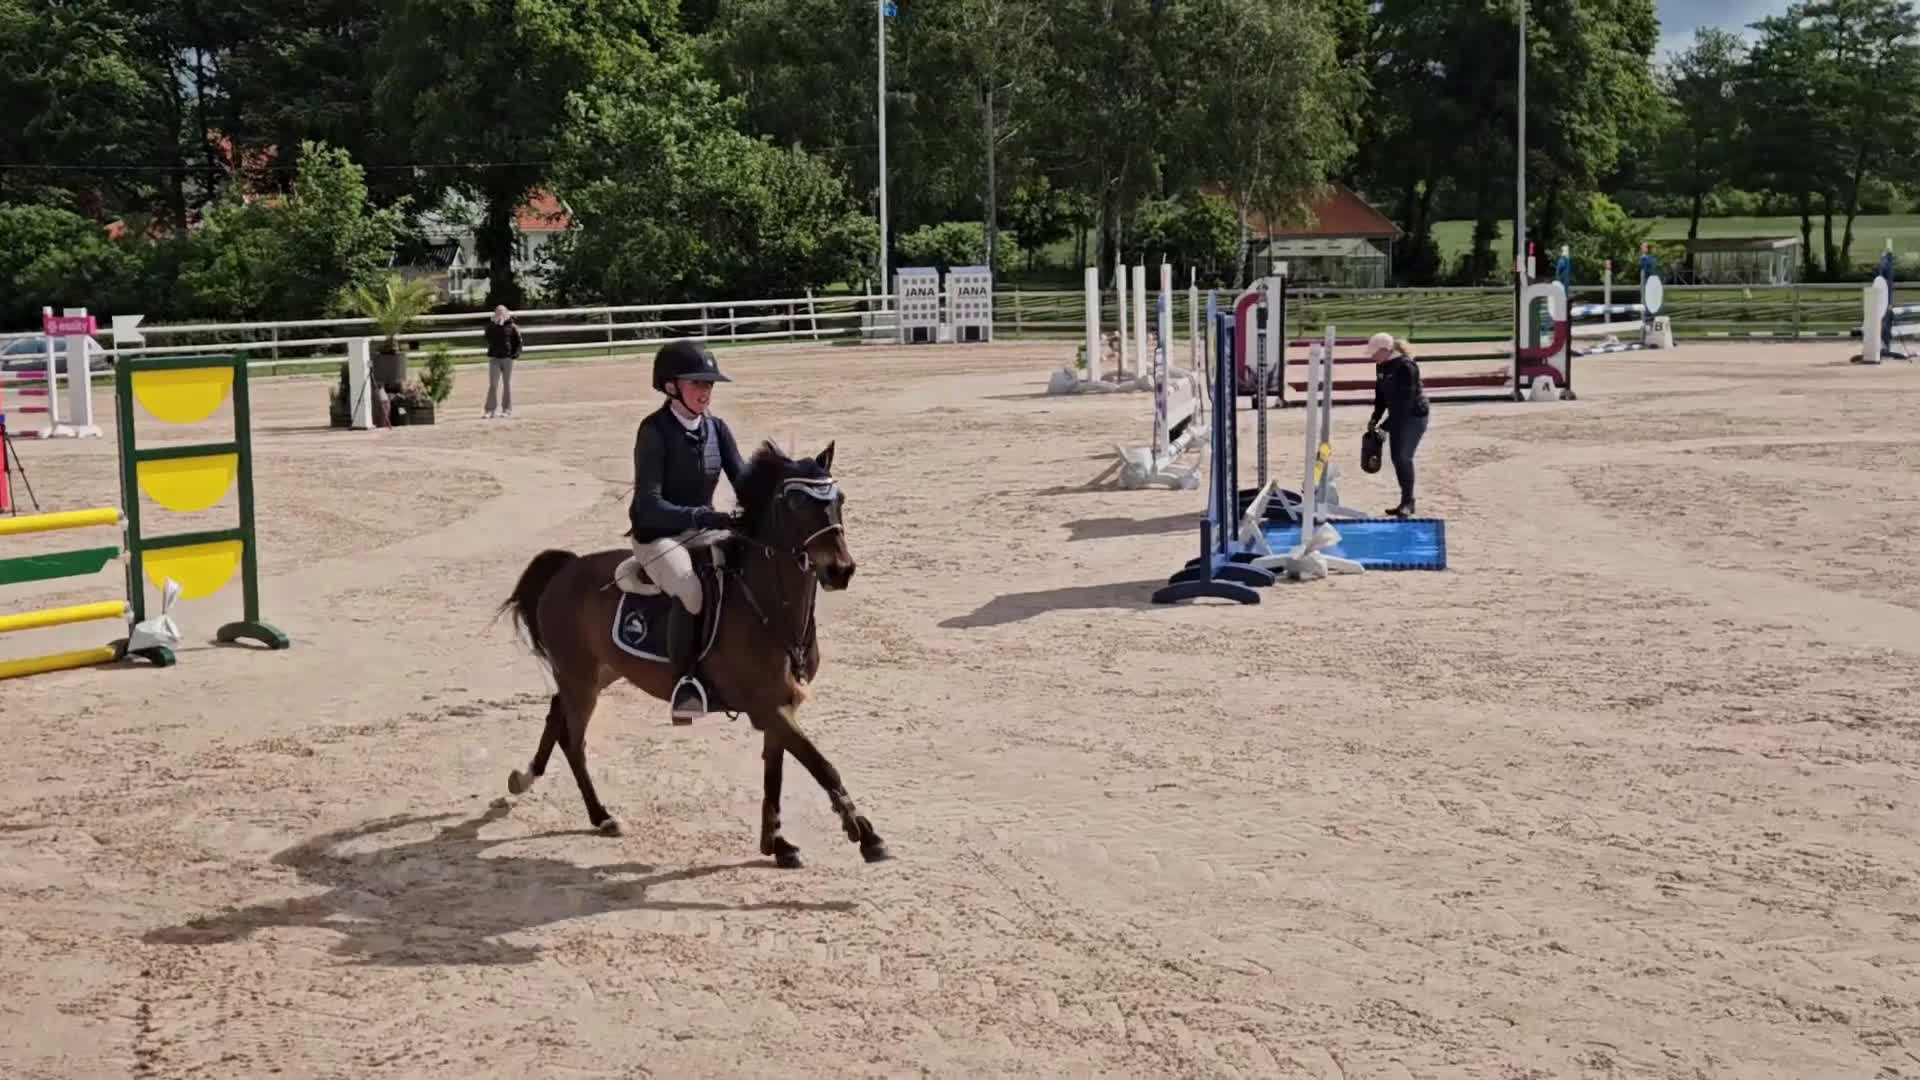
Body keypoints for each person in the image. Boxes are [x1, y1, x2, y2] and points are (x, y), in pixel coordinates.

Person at [627, 339, 746, 724]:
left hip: (699, 529)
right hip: (657, 535)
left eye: (709, 384)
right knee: (691, 589)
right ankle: (685, 684)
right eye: (697, 383)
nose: (705, 391)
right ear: (671, 386)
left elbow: (745, 481)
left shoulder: (717, 429)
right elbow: (649, 504)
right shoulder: (654, 431)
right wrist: (701, 515)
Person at [1364, 332, 1429, 518]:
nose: (1371, 356)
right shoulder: (1381, 366)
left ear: (1385, 350)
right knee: (1396, 457)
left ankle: (1408, 502)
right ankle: (1405, 501)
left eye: (1374, 352)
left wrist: (1385, 426)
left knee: (1403, 457)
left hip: (1414, 416)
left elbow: (1405, 403)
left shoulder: (1407, 367)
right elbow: (1381, 397)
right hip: (1398, 416)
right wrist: (1375, 418)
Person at [483, 305, 523, 418]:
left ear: (506, 313)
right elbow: (487, 338)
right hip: (494, 358)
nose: (500, 314)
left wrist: (515, 354)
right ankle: (490, 410)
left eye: (502, 312)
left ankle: (507, 409)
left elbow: (518, 342)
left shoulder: (512, 326)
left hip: (507, 358)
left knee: (507, 384)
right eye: (497, 312)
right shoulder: (490, 326)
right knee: (493, 385)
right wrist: (496, 325)